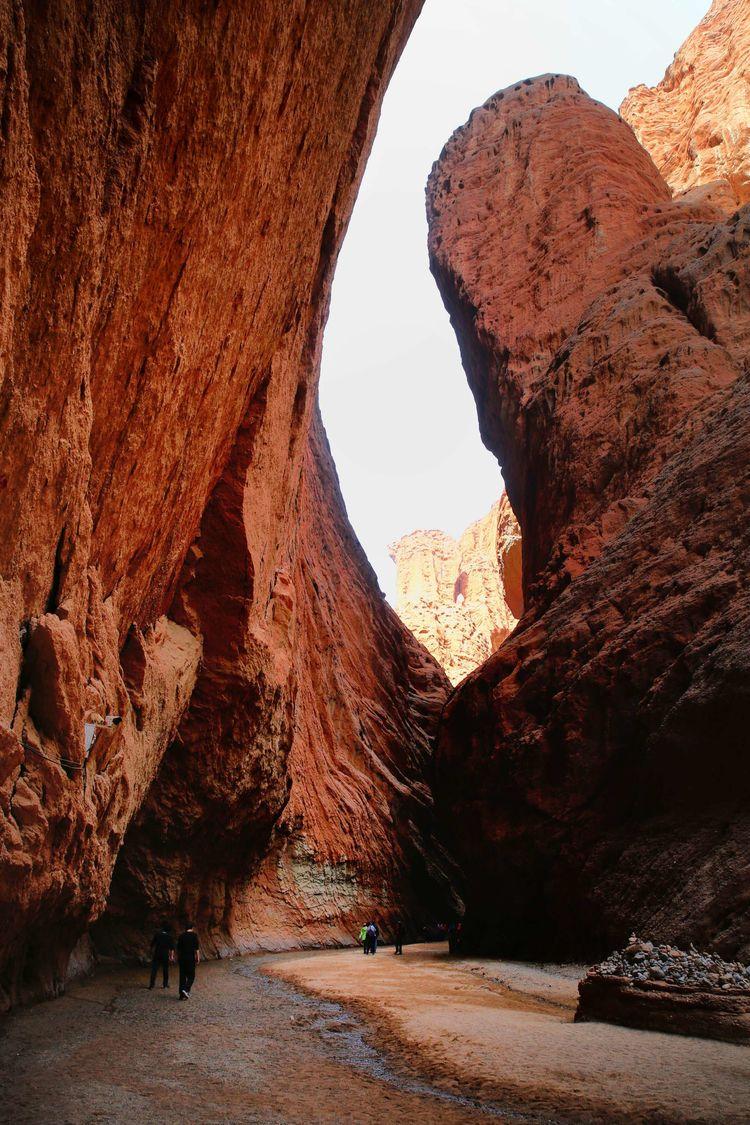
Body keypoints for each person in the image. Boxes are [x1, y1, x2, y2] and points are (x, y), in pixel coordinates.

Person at [177, 922, 200, 999]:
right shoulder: (194, 935)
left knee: (182, 976)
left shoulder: (181, 936)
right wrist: (198, 957)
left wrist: (177, 957)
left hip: (182, 958)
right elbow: (196, 948)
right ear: (192, 928)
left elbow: (178, 948)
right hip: (190, 958)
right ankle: (186, 990)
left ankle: (181, 995)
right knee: (191, 975)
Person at [148, 923, 174, 989]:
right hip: (165, 954)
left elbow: (152, 944)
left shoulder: (157, 934)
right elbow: (172, 948)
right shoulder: (169, 936)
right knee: (165, 969)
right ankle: (165, 984)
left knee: (154, 969)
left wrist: (150, 952)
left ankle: (151, 985)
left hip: (157, 953)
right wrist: (171, 956)